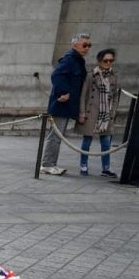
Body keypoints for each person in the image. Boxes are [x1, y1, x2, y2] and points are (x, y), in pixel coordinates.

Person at [42, 33, 91, 175]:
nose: (87, 48)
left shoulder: (78, 60)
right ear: (75, 45)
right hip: (61, 104)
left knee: (58, 136)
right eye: (84, 45)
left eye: (89, 45)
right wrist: (64, 92)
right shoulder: (70, 59)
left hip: (67, 105)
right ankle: (47, 164)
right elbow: (56, 75)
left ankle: (51, 163)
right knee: (55, 136)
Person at [76, 48, 120, 178]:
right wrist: (82, 113)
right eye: (105, 60)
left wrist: (113, 112)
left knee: (106, 143)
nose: (108, 63)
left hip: (106, 115)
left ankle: (105, 168)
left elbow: (115, 96)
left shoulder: (114, 76)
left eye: (111, 60)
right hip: (92, 112)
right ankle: (83, 165)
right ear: (99, 61)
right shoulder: (91, 75)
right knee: (87, 141)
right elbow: (83, 95)